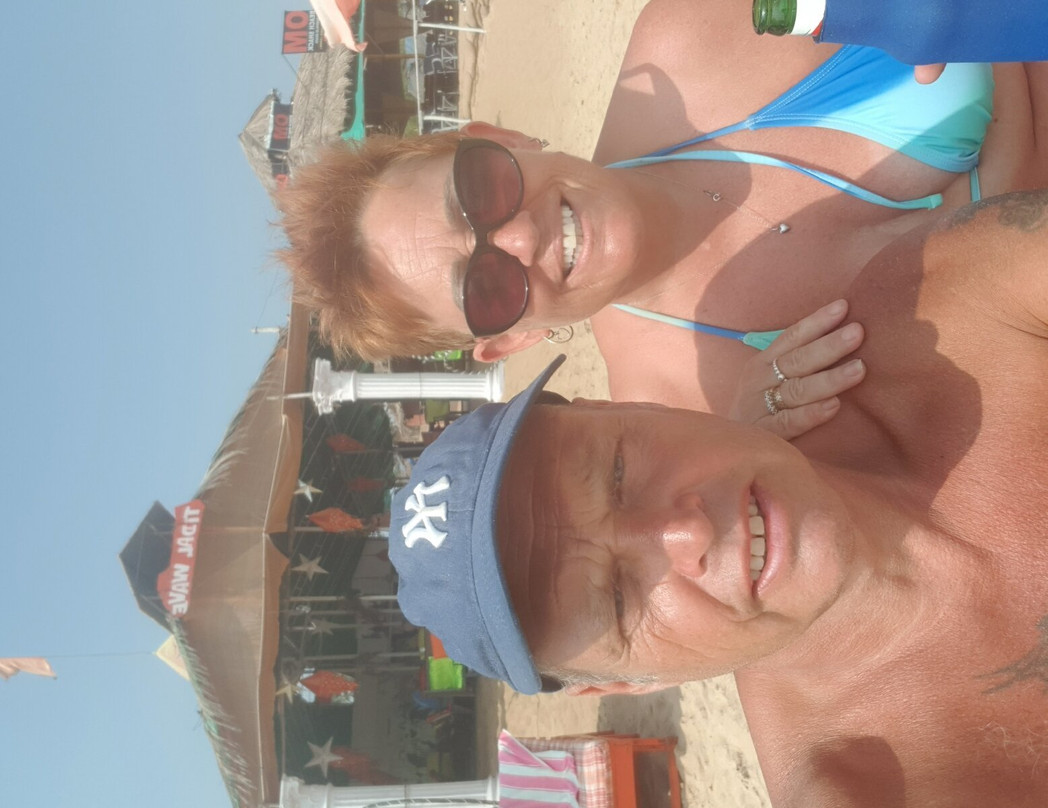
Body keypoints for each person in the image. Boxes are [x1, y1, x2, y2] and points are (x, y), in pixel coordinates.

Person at [387, 189, 1048, 805]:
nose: (687, 533)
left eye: (618, 472)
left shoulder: (940, 306)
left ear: (627, 406)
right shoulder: (878, 788)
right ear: (623, 684)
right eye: (618, 598)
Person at [277, 0, 1047, 420]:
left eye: (477, 192)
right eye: (484, 285)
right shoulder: (699, 413)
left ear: (496, 138)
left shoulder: (693, 37)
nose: (519, 236)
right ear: (510, 338)